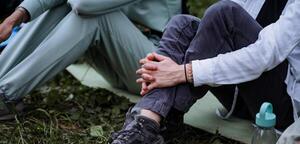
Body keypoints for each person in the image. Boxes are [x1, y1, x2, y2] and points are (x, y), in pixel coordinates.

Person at [83, 0, 300, 144]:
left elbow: (264, 55)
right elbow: (218, 36)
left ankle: (160, 118)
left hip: (284, 105)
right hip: (243, 92)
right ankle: (148, 121)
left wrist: (182, 72)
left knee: (225, 13)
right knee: (183, 25)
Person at [0, 0, 182, 120]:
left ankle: (6, 93)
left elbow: (83, 4)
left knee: (92, 15)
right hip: (121, 58)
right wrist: (16, 16)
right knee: (63, 5)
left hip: (154, 64)